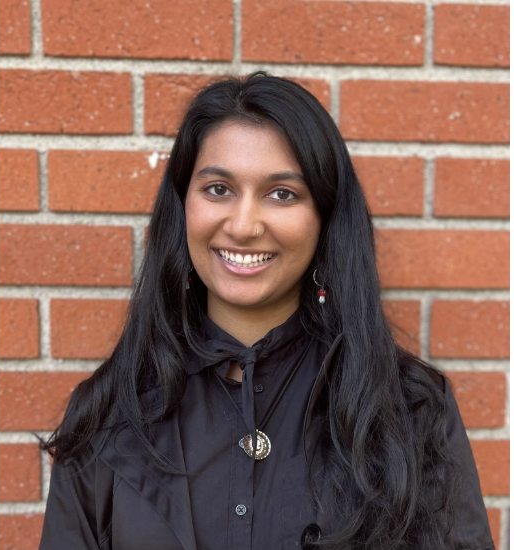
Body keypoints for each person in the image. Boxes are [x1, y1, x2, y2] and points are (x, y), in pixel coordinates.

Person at [37, 71, 495, 550]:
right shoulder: (109, 412)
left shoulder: (410, 409)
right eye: (218, 189)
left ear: (325, 217)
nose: (243, 225)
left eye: (282, 194)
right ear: (183, 205)